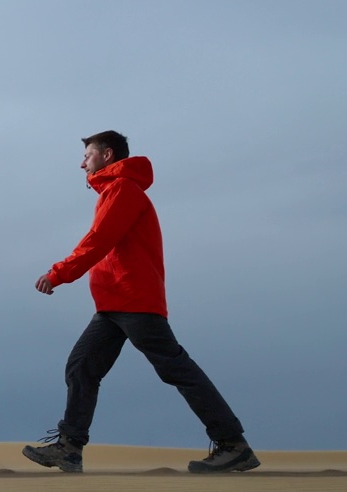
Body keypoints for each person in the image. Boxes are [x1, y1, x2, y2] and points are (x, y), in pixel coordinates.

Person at [23, 131, 259, 474]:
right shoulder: (113, 191)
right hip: (114, 303)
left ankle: (232, 444)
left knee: (177, 369)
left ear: (106, 154)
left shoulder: (123, 190)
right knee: (81, 366)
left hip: (132, 299)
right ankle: (69, 448)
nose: (81, 163)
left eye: (87, 155)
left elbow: (99, 239)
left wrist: (59, 273)